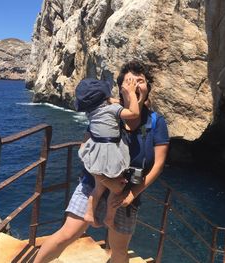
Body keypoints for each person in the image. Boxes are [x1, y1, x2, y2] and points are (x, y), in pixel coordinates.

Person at [33, 60, 169, 263]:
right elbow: (86, 150)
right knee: (66, 234)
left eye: (140, 81)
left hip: (127, 192)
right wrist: (106, 181)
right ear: (121, 88)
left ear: (148, 87)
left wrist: (132, 194)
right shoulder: (108, 114)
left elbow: (158, 165)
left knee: (119, 250)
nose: (134, 85)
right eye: (129, 81)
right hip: (93, 183)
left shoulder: (156, 122)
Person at [74, 78, 140, 228]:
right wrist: (131, 93)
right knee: (116, 190)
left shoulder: (92, 113)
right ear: (104, 98)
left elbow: (106, 105)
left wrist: (110, 99)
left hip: (97, 154)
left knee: (98, 188)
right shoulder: (112, 110)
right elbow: (134, 113)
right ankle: (109, 218)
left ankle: (89, 213)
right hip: (111, 155)